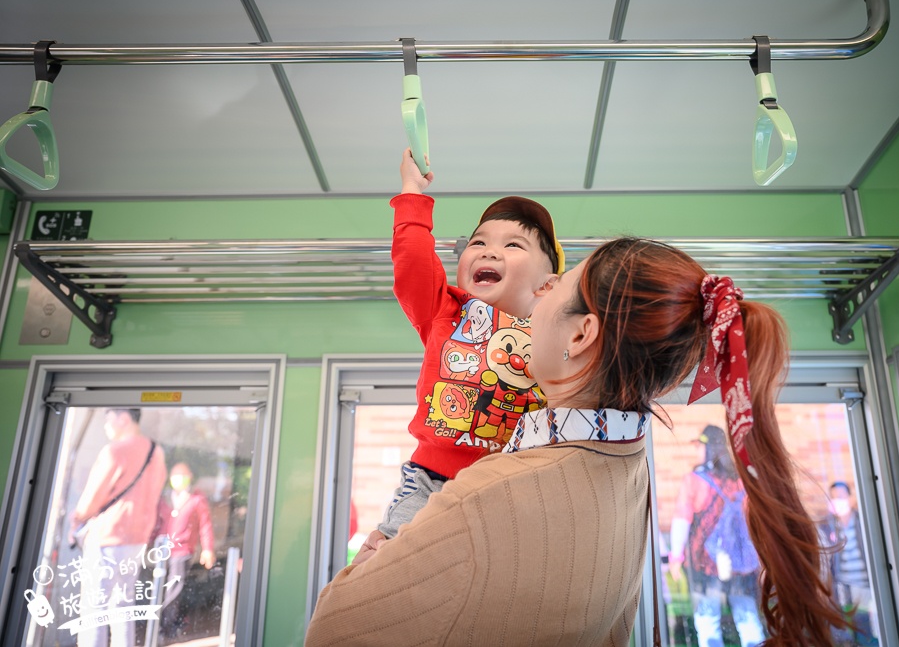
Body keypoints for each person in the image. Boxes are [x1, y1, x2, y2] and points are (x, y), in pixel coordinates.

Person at [306, 237, 846, 646]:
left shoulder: (488, 496)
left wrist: (377, 559)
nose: (539, 293)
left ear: (581, 335)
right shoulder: (630, 467)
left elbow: (330, 632)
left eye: (555, 287)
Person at [370, 149, 563, 543]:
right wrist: (412, 192)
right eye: (478, 243)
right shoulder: (447, 313)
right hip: (430, 480)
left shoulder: (553, 334)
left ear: (546, 284)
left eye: (514, 245)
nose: (489, 251)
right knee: (386, 558)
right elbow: (413, 263)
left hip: (514, 484)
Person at [71, 408, 167, 647]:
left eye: (108, 420)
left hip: (108, 536)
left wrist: (77, 518)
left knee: (95, 608)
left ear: (123, 418)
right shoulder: (156, 452)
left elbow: (93, 495)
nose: (106, 427)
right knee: (122, 607)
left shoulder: (115, 450)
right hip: (137, 539)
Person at [669, 424, 765, 647]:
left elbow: (681, 520)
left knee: (708, 622)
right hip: (740, 564)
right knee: (748, 619)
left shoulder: (694, 480)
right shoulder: (740, 480)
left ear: (709, 449)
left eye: (700, 446)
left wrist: (676, 557)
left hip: (705, 563)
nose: (697, 451)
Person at [156, 462, 216, 639]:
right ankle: (159, 625)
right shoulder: (165, 498)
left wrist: (208, 549)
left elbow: (205, 525)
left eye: (182, 475)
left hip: (182, 550)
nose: (178, 479)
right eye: (175, 475)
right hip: (161, 549)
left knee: (173, 590)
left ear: (189, 477)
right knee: (158, 588)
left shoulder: (197, 499)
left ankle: (165, 629)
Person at [819, 481, 879, 645]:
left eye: (841, 496)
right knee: (850, 629)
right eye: (833, 497)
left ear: (850, 497)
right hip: (843, 588)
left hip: (867, 585)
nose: (837, 500)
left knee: (870, 629)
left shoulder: (863, 522)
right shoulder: (827, 526)